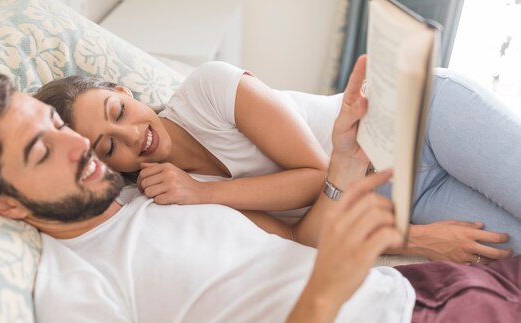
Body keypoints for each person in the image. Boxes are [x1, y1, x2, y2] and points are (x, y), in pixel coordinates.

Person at [0, 57, 521, 323]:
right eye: (44, 148)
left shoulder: (152, 194)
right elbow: (318, 275)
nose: (75, 143)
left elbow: (301, 243)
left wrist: (339, 164)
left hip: (434, 295)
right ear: (4, 203)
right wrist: (324, 296)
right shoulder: (70, 302)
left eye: (52, 122)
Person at [34, 59, 521, 264]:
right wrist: (418, 239)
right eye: (107, 147)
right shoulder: (163, 201)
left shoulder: (209, 87)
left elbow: (317, 175)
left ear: (124, 92)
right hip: (403, 200)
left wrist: (205, 192)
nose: (130, 136)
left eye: (118, 112)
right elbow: (296, 241)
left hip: (419, 116)